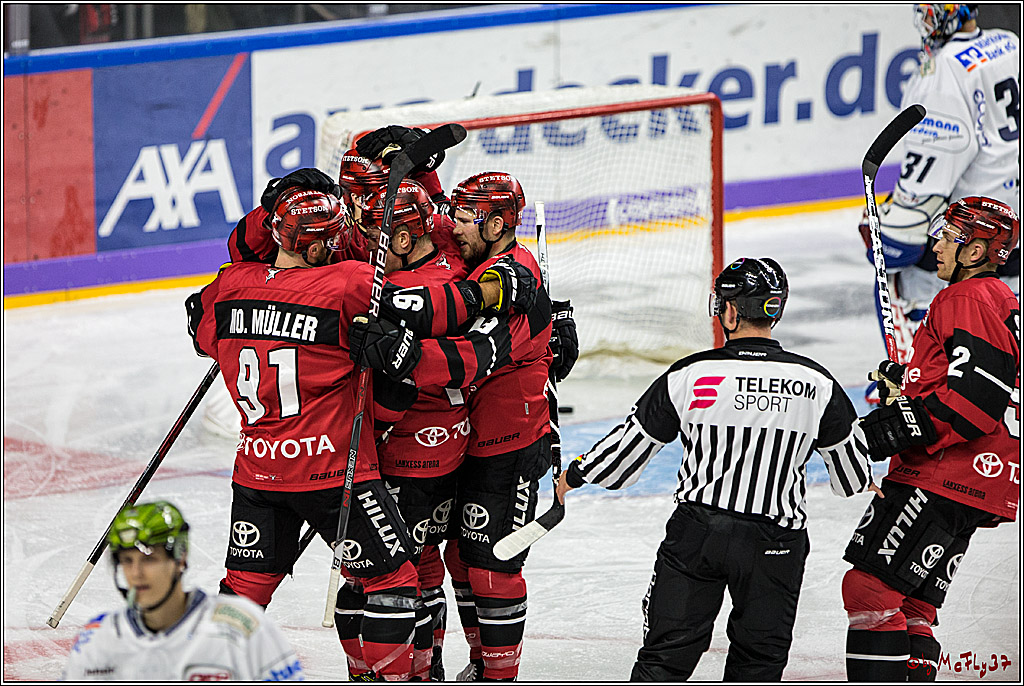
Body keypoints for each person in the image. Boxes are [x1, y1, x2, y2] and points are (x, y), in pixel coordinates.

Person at [185, 184, 534, 679]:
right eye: (331, 239)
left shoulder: (227, 287)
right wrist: (502, 310)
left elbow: (203, 332)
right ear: (313, 246)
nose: (344, 245)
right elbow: (430, 313)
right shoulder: (347, 284)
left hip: (257, 471)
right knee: (393, 581)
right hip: (335, 471)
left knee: (244, 587)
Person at [556, 257, 881, 681]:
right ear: (774, 310)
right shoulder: (817, 382)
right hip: (775, 544)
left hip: (698, 536)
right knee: (757, 665)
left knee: (663, 661)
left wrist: (577, 472)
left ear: (729, 311)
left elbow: (621, 460)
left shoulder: (691, 374)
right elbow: (852, 479)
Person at [842, 196, 1020, 682]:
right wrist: (912, 381)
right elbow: (985, 381)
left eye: (947, 236)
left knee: (869, 592)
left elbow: (972, 404)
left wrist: (882, 432)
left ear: (977, 251)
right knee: (914, 603)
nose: (935, 244)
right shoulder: (1001, 300)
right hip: (986, 475)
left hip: (945, 472)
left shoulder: (963, 298)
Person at [859, 3, 1019, 381]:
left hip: (972, 232)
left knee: (892, 267)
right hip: (1014, 228)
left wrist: (881, 228)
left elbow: (919, 201)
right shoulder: (1009, 43)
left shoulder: (942, 71)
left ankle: (918, 382)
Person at [63, 500, 303, 681]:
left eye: (149, 560)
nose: (136, 573)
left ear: (180, 557)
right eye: (127, 560)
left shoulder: (241, 628)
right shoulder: (99, 639)